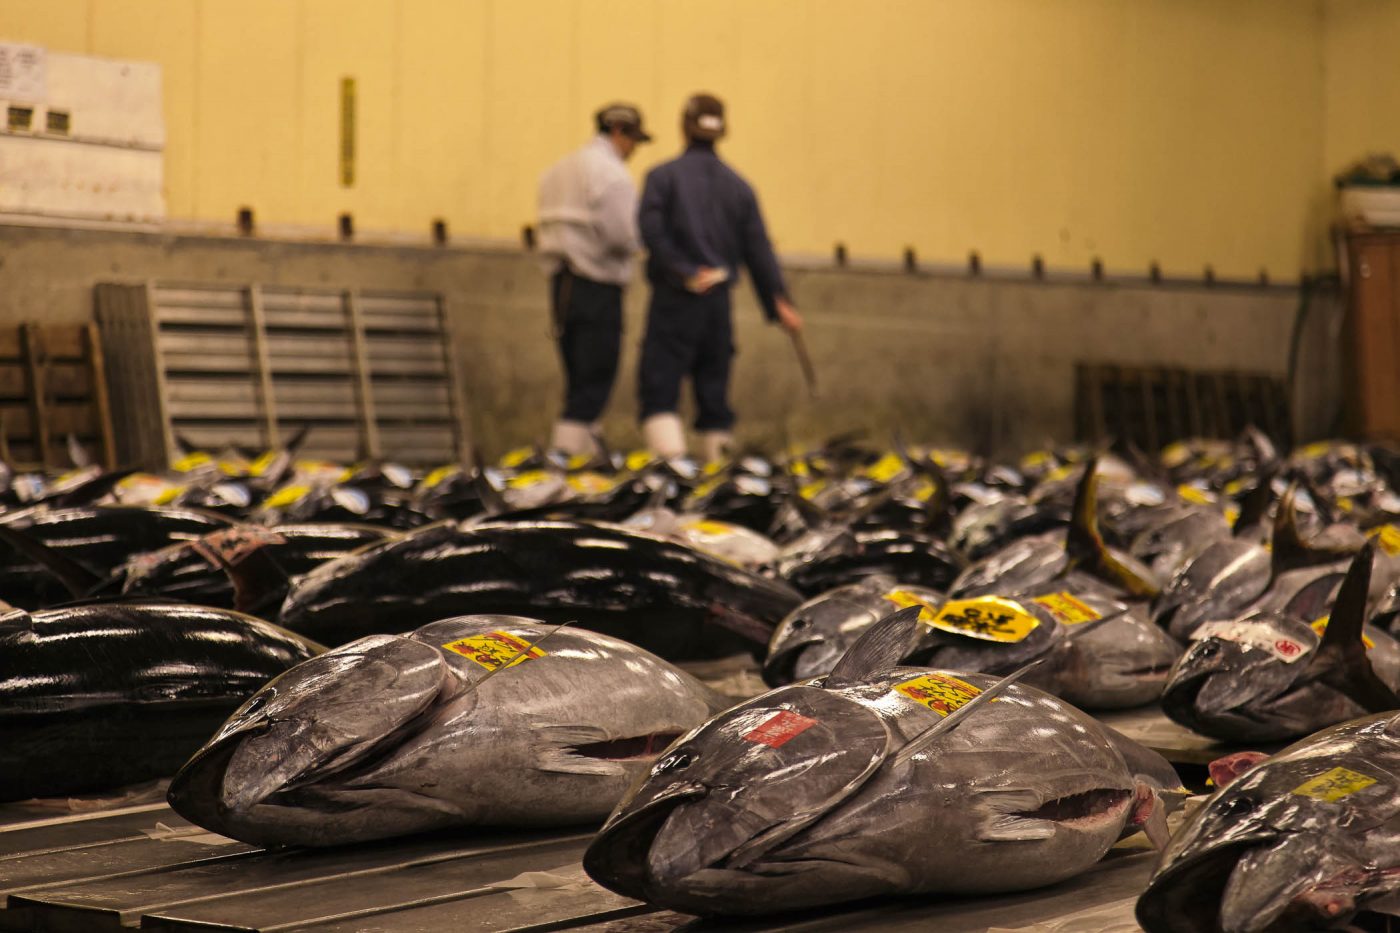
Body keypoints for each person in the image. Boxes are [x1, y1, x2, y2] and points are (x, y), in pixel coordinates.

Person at [636, 93, 803, 463]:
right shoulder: (739, 188)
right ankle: (716, 479)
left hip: (675, 300)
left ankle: (671, 473)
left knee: (660, 386)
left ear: (684, 126)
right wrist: (779, 303)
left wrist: (684, 271)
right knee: (713, 392)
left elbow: (651, 233)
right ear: (722, 131)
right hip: (717, 307)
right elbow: (759, 249)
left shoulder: (662, 178)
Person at [536, 103, 652, 456]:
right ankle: (566, 462)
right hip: (597, 286)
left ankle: (581, 457)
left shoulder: (557, 170)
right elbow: (624, 237)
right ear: (618, 132)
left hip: (561, 285)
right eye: (633, 140)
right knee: (594, 382)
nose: (634, 150)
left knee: (576, 380)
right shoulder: (611, 174)